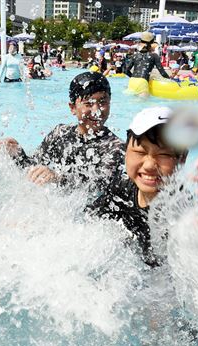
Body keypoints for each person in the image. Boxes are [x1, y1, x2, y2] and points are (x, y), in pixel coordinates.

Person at [87, 107, 188, 265]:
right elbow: (85, 224)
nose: (149, 165)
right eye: (140, 152)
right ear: (126, 152)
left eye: (163, 155)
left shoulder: (183, 211)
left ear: (182, 159)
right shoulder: (120, 191)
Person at [26, 72, 125, 196]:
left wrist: (57, 179)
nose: (96, 111)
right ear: (72, 108)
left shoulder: (115, 147)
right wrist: (15, 153)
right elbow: (33, 165)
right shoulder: (60, 133)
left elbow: (97, 187)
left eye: (102, 102)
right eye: (88, 104)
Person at [124, 32, 170, 98]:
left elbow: (125, 70)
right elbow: (162, 72)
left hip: (132, 81)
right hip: (143, 82)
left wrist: (134, 77)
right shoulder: (154, 56)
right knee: (142, 104)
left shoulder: (135, 55)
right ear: (152, 44)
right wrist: (170, 80)